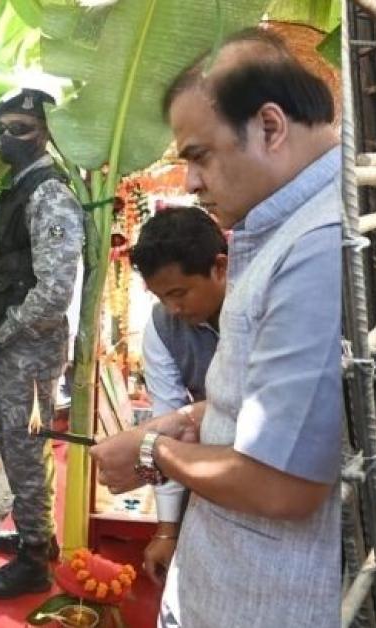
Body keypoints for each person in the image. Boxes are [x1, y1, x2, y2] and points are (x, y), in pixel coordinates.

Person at [88, 28, 342, 627]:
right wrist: (183, 421)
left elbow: (282, 485)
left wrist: (154, 449)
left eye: (199, 156)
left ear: (271, 127)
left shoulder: (315, 248)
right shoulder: (289, 227)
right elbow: (267, 402)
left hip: (265, 601)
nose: (191, 184)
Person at [0, 87, 84, 599]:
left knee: (25, 449)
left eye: (21, 129)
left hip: (27, 347)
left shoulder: (49, 193)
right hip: (7, 343)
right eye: (3, 128)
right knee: (16, 446)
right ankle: (36, 531)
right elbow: (0, 259)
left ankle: (35, 557)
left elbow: (55, 290)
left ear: (46, 133)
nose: (8, 138)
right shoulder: (15, 190)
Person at [128, 207, 226, 585]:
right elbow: (165, 423)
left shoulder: (258, 312)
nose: (173, 308)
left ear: (219, 268)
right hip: (204, 462)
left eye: (179, 293)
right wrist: (167, 529)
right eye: (161, 296)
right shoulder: (161, 325)